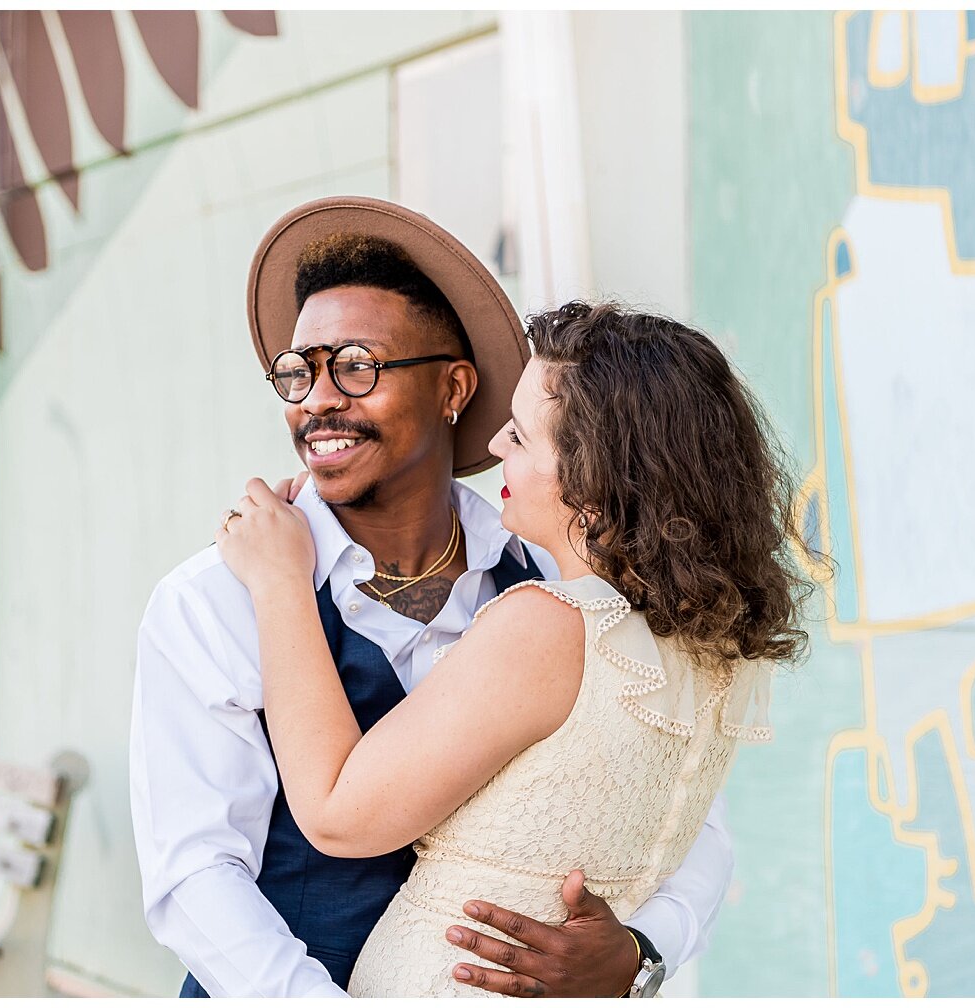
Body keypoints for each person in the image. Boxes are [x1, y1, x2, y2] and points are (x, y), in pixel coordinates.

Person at [130, 197, 742, 998]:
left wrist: (639, 954)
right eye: (297, 371)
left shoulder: (558, 578)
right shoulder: (214, 598)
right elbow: (195, 875)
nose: (316, 401)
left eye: (354, 366)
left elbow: (687, 811)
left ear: (454, 387)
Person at [215, 297, 808, 995]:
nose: (494, 444)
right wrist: (642, 958)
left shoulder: (547, 626)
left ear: (595, 485)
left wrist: (281, 580)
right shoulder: (718, 644)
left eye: (522, 438)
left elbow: (337, 815)